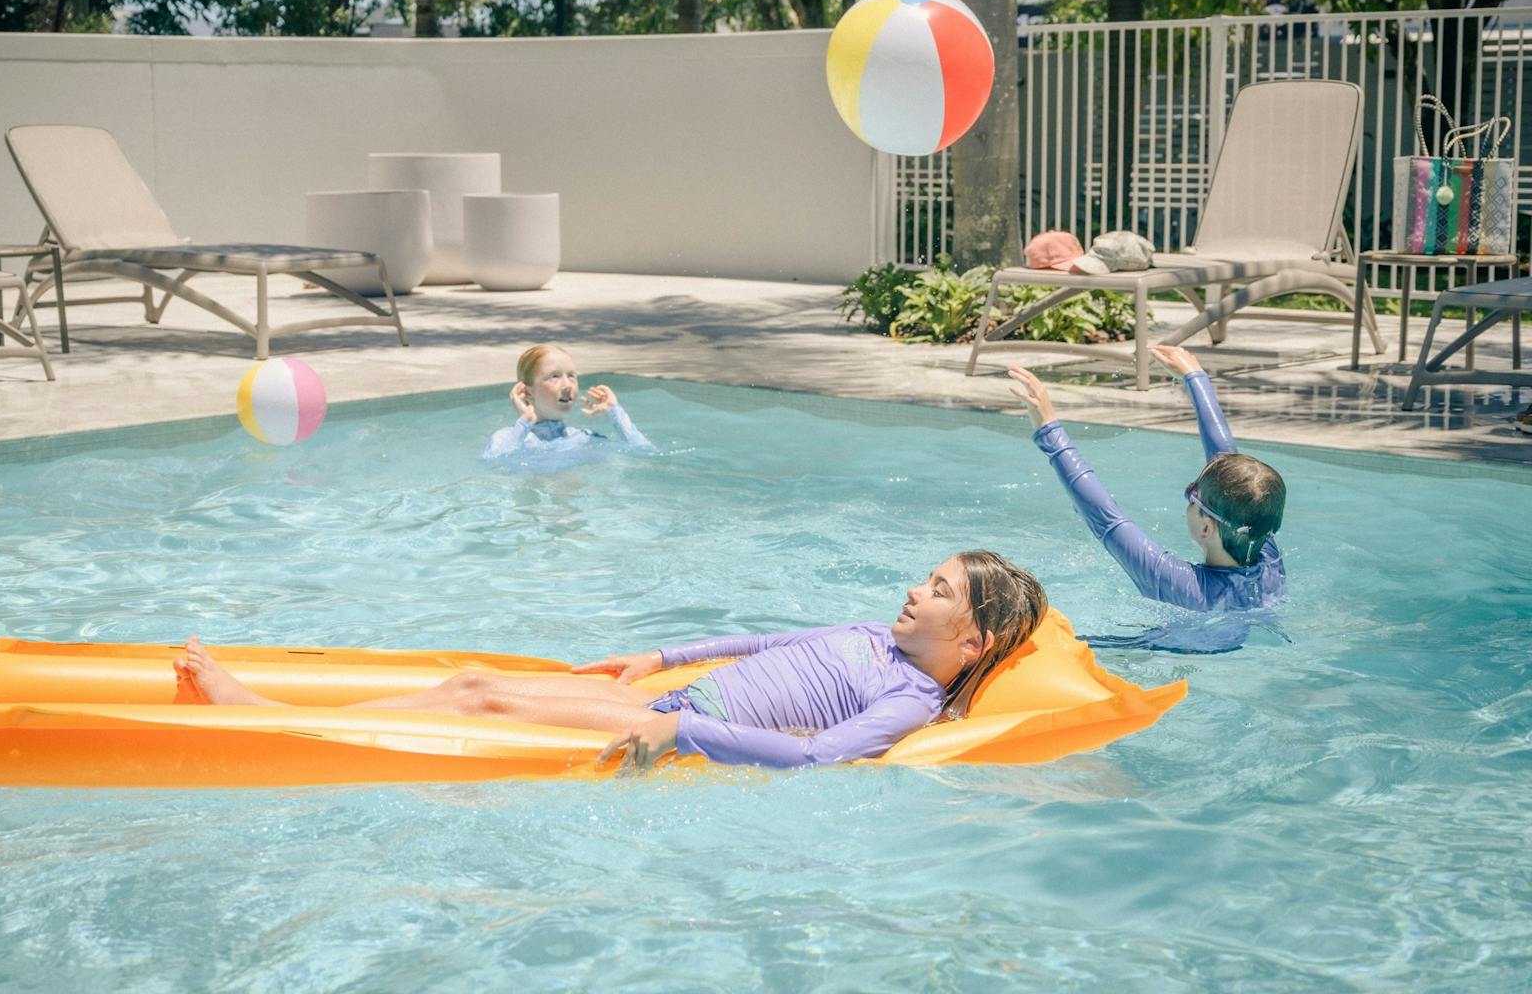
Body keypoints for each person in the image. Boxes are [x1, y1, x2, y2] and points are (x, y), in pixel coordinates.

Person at [172, 550, 1049, 772]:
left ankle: (261, 716)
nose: (913, 592)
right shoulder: (872, 634)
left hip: (685, 723)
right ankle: (279, 708)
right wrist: (661, 652)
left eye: (937, 591)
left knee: (480, 700)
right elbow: (771, 641)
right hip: (680, 690)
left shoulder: (909, 700)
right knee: (466, 682)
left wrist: (680, 732)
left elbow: (820, 757)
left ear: (970, 644)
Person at [1009, 345, 1285, 615]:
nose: (1188, 497)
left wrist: (1049, 430)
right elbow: (1229, 464)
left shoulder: (1181, 585)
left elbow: (1106, 518)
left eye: (1192, 494)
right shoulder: (1268, 554)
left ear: (1206, 529)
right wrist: (1195, 378)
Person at [481, 344, 653, 460]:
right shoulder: (508, 438)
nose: (567, 385)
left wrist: (615, 412)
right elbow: (494, 462)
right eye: (554, 376)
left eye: (571, 376)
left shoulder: (582, 438)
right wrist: (525, 422)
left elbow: (644, 452)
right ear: (526, 391)